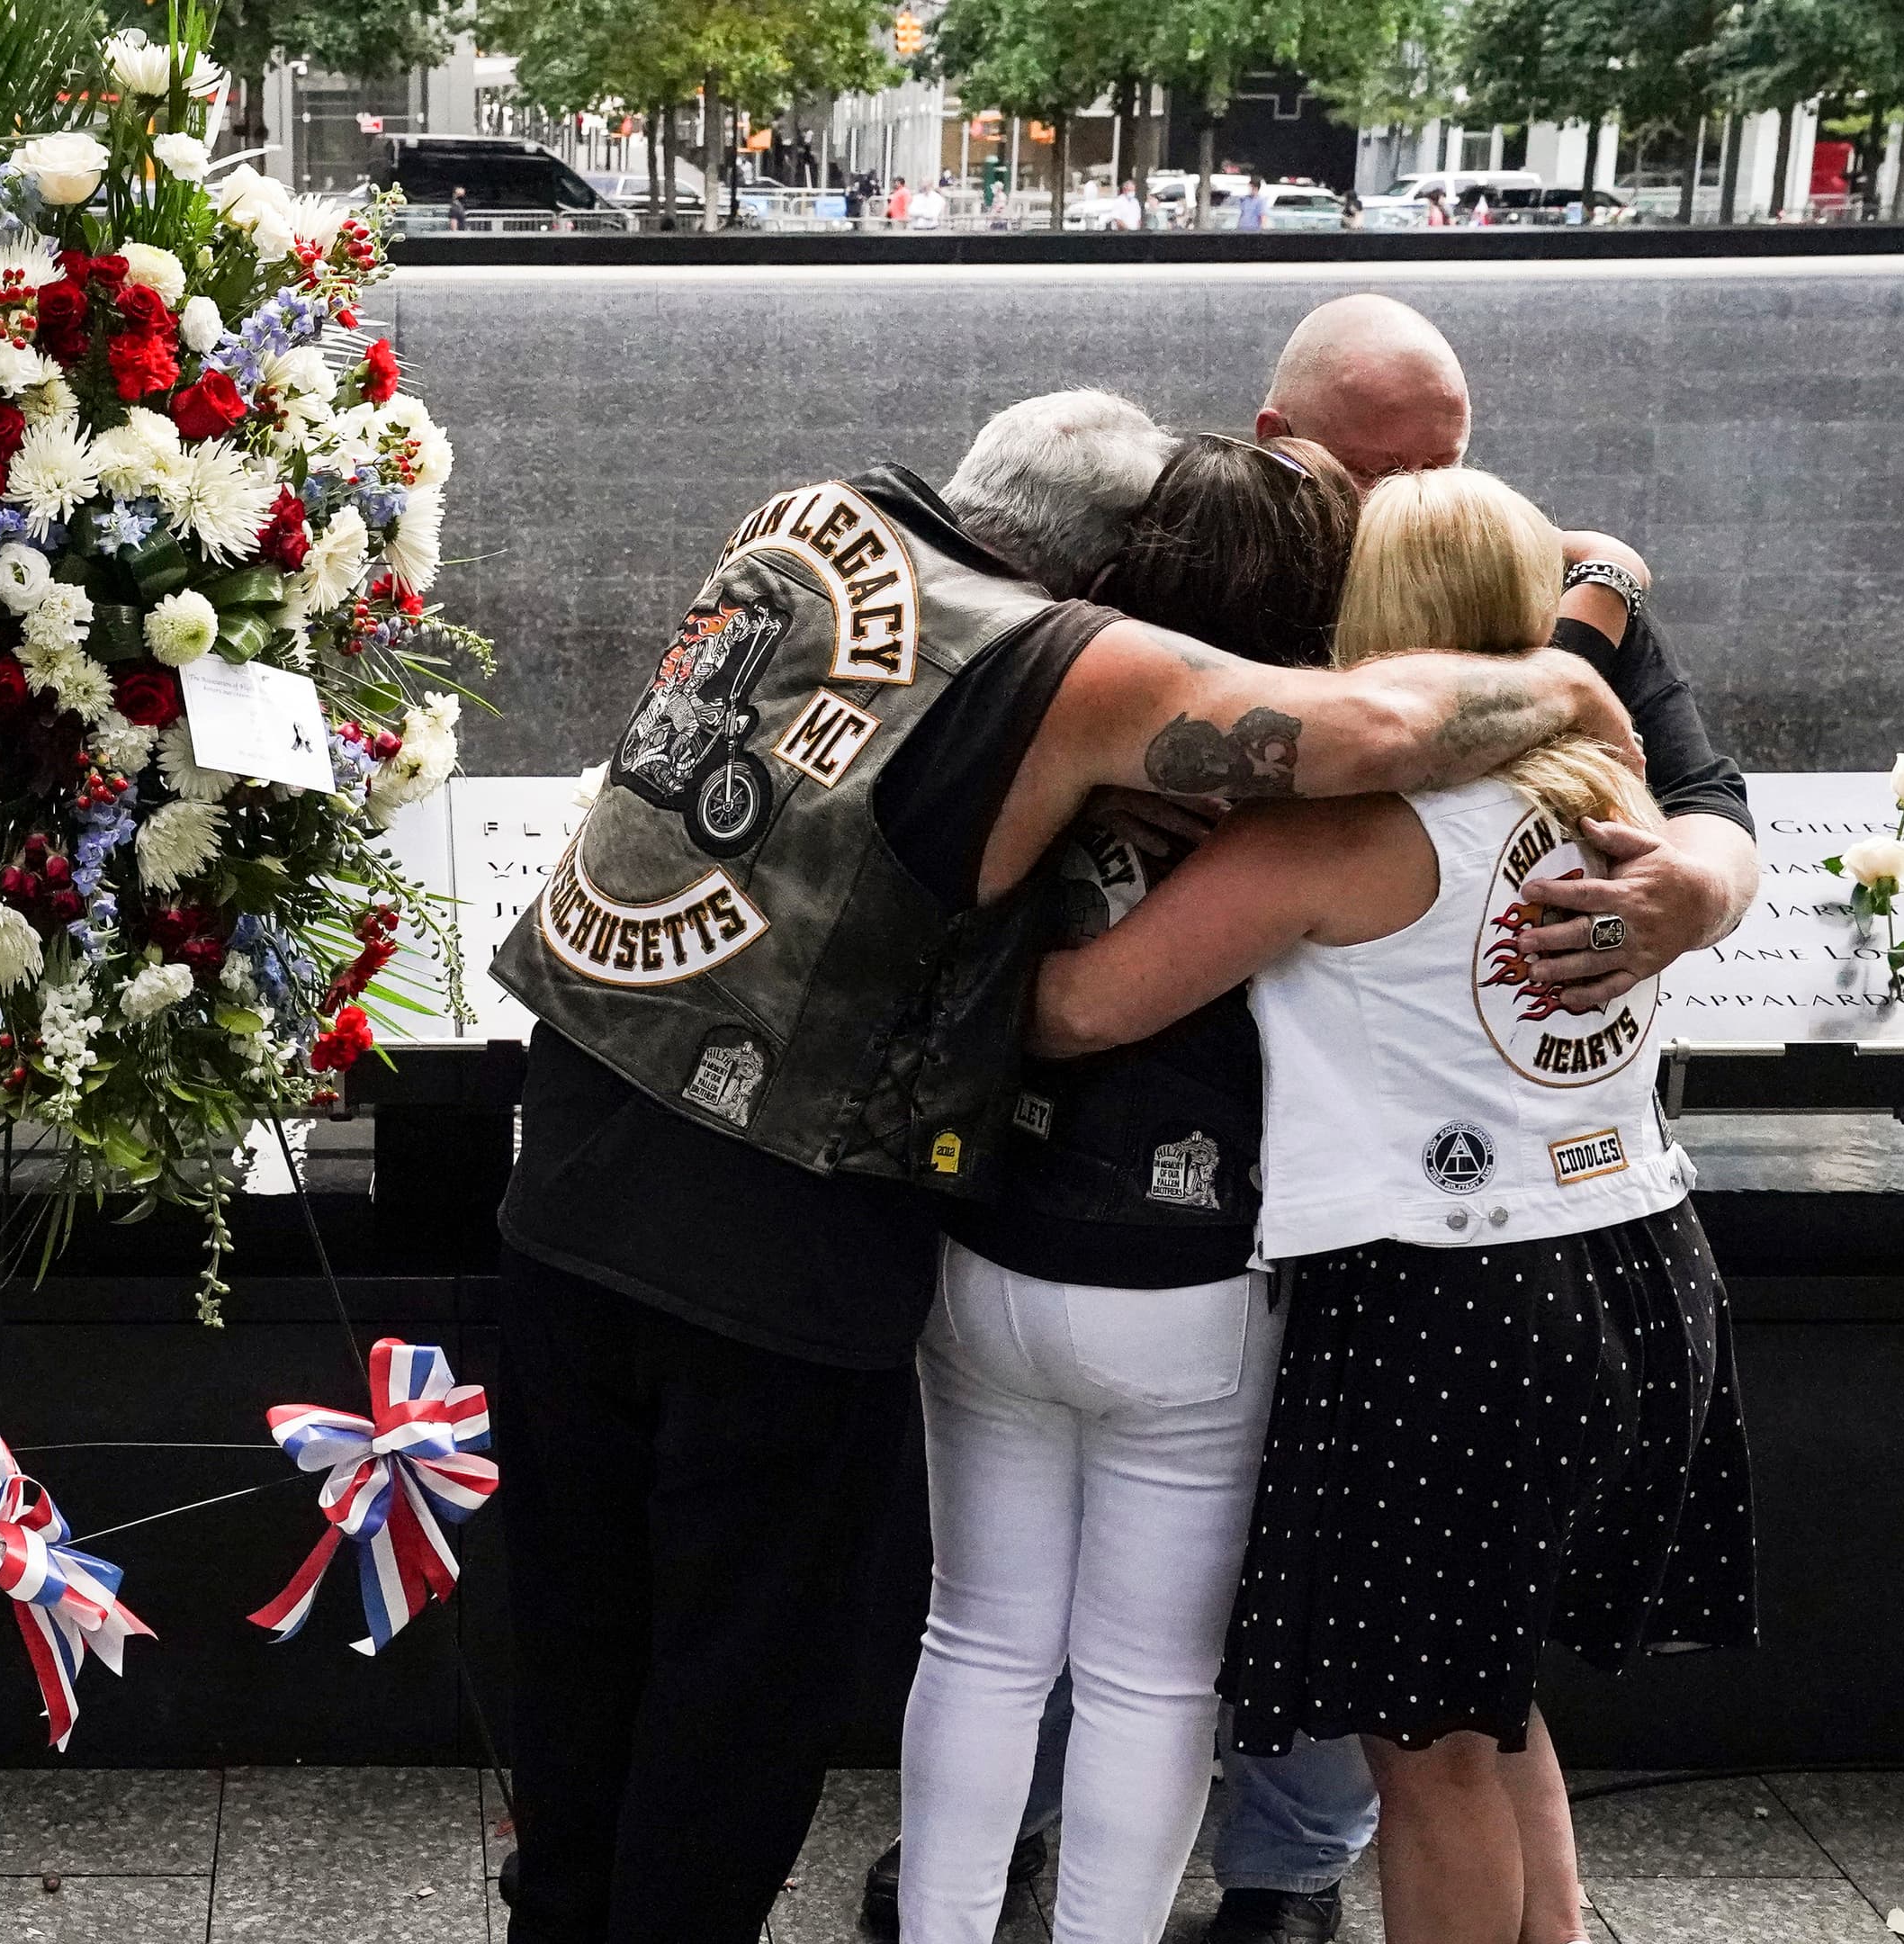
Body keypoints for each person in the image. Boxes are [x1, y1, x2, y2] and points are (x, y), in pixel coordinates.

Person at [483, 389, 1636, 1944]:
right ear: (1101, 575)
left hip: (570, 1171)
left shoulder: (810, 515)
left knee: (578, 1635)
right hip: (780, 1252)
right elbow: (1372, 730)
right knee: (736, 1691)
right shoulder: (1072, 664)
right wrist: (1575, 664)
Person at [863, 292, 1759, 1944]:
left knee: (1348, 1712)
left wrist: (953, 925)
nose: (1405, 485)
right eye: (1379, 461)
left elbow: (1078, 1007)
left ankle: (1190, 1885)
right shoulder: (1586, 756)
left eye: (1437, 464)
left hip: (1421, 1286)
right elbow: (1628, 706)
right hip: (1630, 1249)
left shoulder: (1338, 813)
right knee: (1477, 1706)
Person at [894, 432, 1362, 1944]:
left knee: (975, 1639)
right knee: (1152, 1673)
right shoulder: (1326, 799)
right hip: (1191, 1286)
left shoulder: (1051, 716)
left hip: (989, 1252)